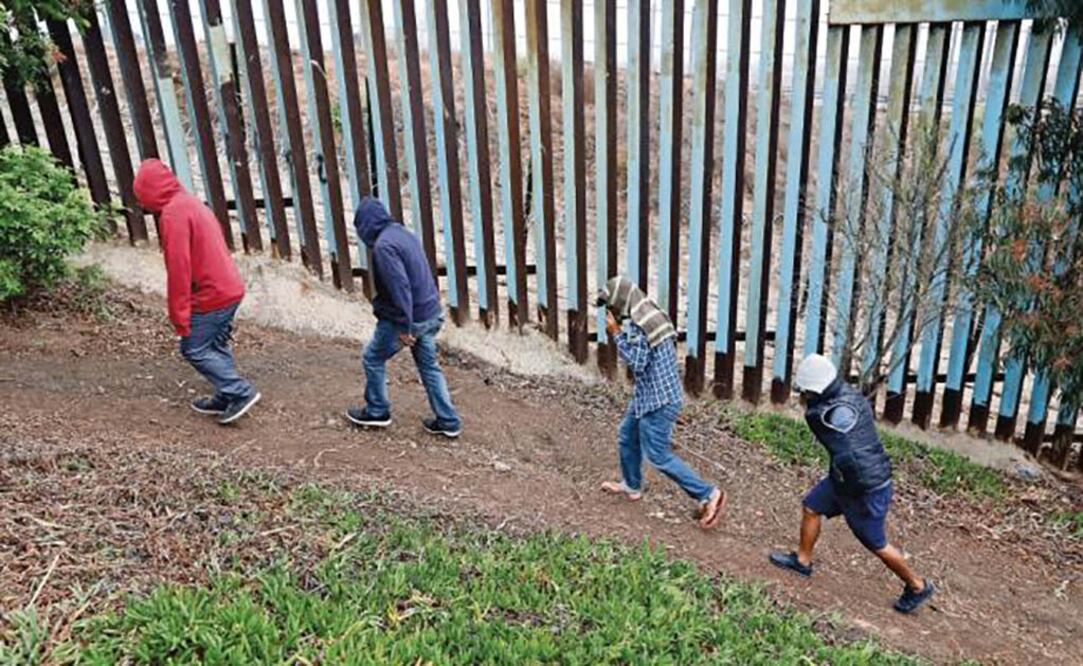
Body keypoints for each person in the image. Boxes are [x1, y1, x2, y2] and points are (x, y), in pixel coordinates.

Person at [769, 354, 936, 614]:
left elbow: (846, 450)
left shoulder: (819, 415)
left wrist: (852, 496)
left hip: (864, 487)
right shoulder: (850, 393)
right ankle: (802, 561)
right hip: (847, 477)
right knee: (812, 506)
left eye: (805, 392)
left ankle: (917, 586)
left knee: (876, 542)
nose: (803, 397)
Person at [132, 159, 260, 425]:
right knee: (215, 344)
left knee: (194, 348)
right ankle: (226, 394)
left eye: (141, 196)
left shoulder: (173, 215)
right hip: (229, 287)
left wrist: (179, 314)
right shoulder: (189, 202)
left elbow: (179, 269)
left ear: (150, 192)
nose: (141, 203)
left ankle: (240, 392)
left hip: (212, 293)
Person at [598, 276, 725, 528]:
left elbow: (638, 363)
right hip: (651, 394)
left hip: (658, 400)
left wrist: (616, 334)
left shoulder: (639, 324)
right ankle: (632, 484)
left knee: (658, 455)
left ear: (620, 301)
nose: (610, 311)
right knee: (627, 436)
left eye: (610, 305)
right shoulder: (651, 312)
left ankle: (709, 494)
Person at [346, 197, 462, 438]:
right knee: (429, 366)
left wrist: (405, 327)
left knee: (372, 358)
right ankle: (448, 420)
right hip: (431, 313)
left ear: (366, 224)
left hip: (410, 318)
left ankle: (377, 411)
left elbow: (400, 288)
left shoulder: (384, 247)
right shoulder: (401, 234)